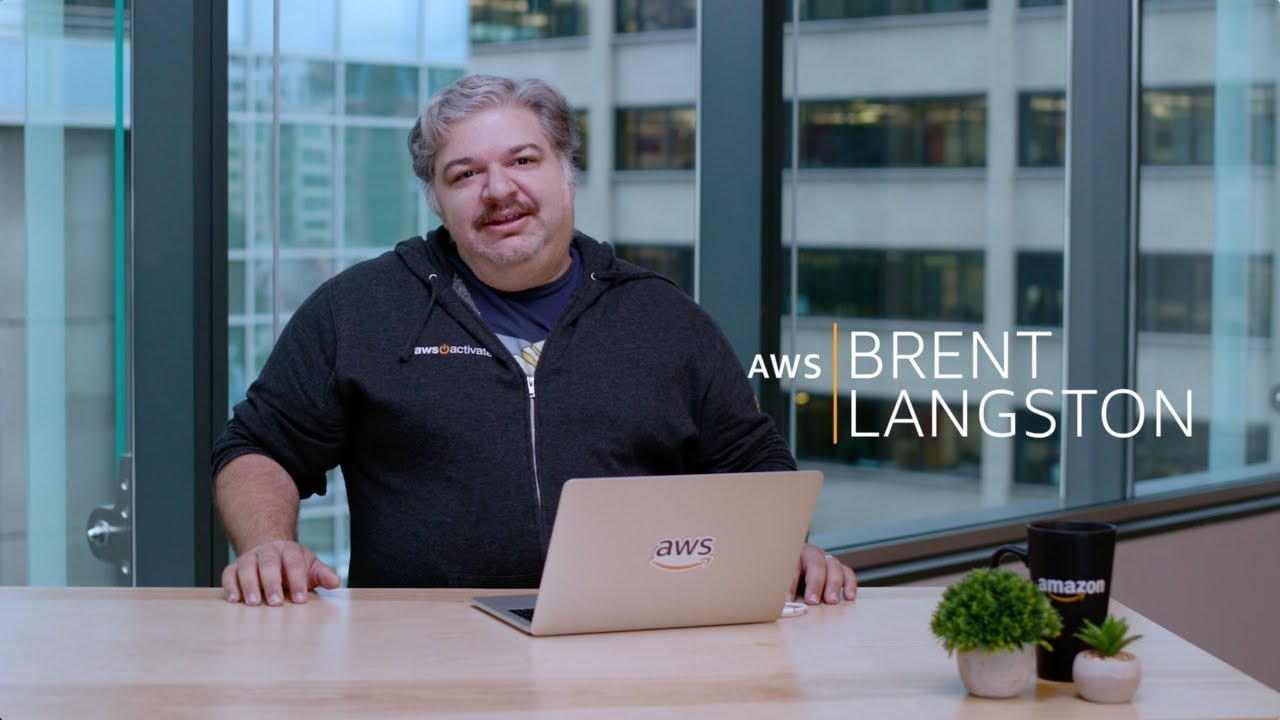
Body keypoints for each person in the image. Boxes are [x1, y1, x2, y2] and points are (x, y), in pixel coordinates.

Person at [211, 74, 857, 608]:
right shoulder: (359, 309)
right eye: (464, 174)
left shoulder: (663, 318)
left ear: (565, 172)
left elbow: (753, 467)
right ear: (435, 199)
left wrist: (783, 550)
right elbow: (258, 446)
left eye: (522, 160)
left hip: (631, 653)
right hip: (421, 664)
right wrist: (268, 544)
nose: (498, 191)